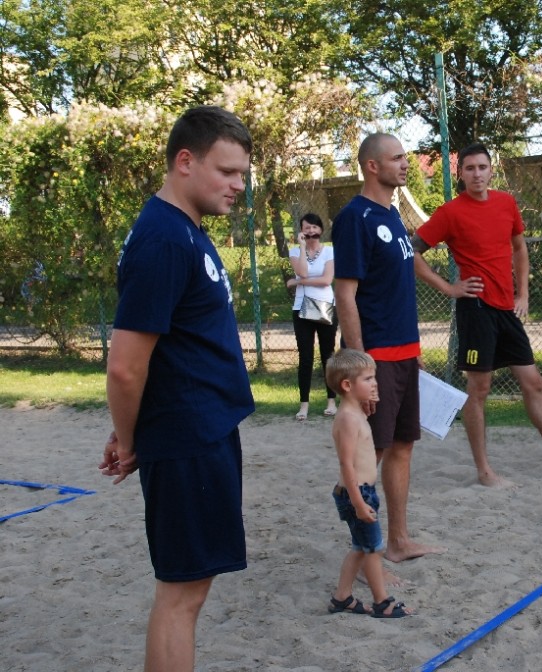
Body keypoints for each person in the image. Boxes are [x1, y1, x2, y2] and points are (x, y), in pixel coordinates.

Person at [100, 106, 255, 672]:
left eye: (243, 174)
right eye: (227, 171)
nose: (238, 185)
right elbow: (125, 367)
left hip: (201, 430)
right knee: (181, 594)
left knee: (189, 590)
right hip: (187, 437)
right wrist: (128, 439)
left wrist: (131, 429)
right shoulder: (163, 238)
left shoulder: (183, 230)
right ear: (185, 161)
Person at [412, 142, 542, 487]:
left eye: (482, 167)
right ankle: (484, 471)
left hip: (506, 309)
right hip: (475, 309)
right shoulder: (450, 213)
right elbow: (411, 252)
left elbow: (519, 248)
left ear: (491, 170)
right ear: (460, 174)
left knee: (534, 382)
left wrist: (523, 294)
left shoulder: (506, 203)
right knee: (479, 388)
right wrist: (448, 287)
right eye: (469, 168)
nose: (477, 174)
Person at [332, 132, 445, 582]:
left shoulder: (393, 215)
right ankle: (364, 558)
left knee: (401, 447)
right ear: (372, 166)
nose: (405, 164)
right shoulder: (353, 218)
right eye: (397, 158)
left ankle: (397, 541)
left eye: (405, 157)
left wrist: (413, 351)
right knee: (368, 456)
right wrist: (361, 364)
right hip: (375, 357)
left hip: (404, 354)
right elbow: (346, 294)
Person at [327, 348, 413, 618]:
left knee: (360, 548)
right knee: (373, 550)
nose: (375, 383)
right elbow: (346, 464)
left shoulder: (356, 412)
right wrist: (358, 503)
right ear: (347, 385)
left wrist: (367, 403)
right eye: (368, 379)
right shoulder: (347, 419)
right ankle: (382, 602)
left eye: (374, 377)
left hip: (364, 493)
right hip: (357, 494)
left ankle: (342, 597)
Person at [287, 212, 338, 420]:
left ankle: (331, 402)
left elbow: (326, 280)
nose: (311, 231)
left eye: (314, 227)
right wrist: (301, 247)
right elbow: (303, 271)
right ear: (301, 231)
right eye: (307, 228)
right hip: (301, 308)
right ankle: (304, 406)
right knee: (305, 357)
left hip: (326, 307)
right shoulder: (294, 251)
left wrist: (297, 282)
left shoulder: (329, 251)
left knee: (328, 355)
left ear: (321, 230)